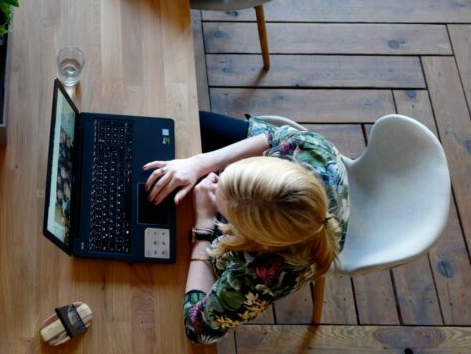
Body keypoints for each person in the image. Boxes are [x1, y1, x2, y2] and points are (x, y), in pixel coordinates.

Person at [142, 112, 349, 344]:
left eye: (226, 212)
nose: (214, 180)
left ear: (253, 239)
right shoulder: (311, 149)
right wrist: (197, 164)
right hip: (305, 215)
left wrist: (204, 225)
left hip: (276, 254)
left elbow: (197, 329)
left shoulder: (258, 277)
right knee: (187, 122)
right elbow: (272, 136)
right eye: (226, 177)